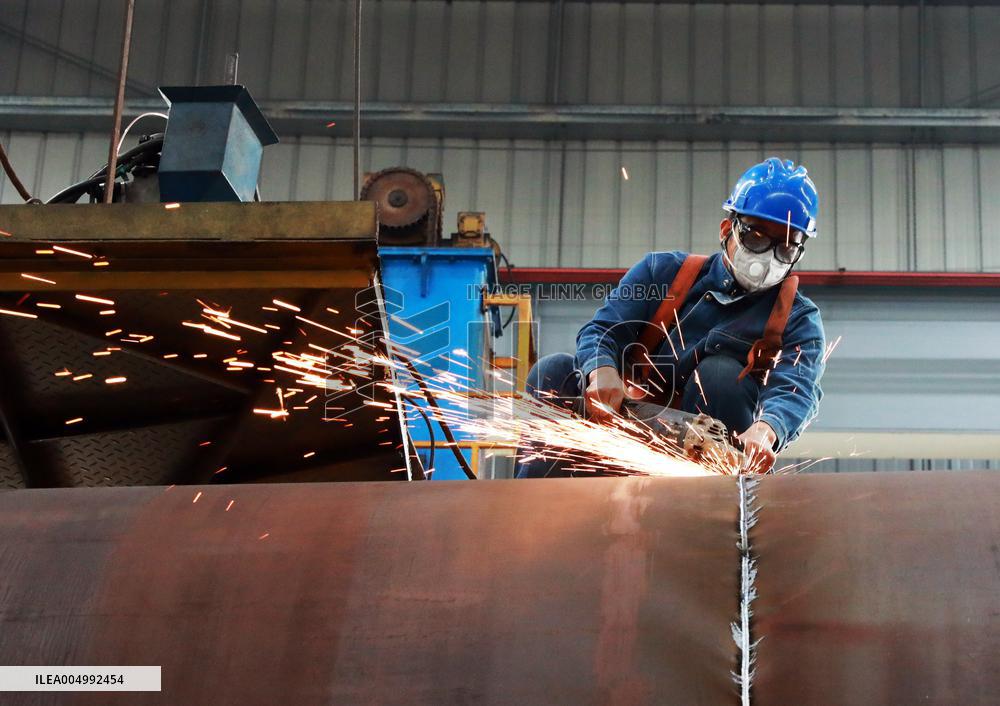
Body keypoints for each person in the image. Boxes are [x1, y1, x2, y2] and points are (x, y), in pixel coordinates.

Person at [517, 157, 826, 477]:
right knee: (553, 372)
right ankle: (538, 502)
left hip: (706, 464)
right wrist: (602, 372)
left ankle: (719, 501)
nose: (768, 257)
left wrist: (766, 430)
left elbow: (796, 388)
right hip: (627, 432)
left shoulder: (798, 319)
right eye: (757, 237)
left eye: (786, 247)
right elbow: (603, 330)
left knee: (719, 376)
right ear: (727, 230)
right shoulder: (661, 273)